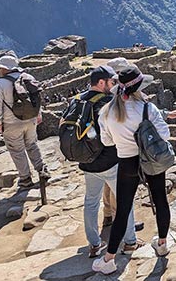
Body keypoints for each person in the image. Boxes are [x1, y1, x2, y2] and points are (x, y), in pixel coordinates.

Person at [92, 66, 172, 274]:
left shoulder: (108, 112)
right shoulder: (147, 109)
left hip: (127, 162)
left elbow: (107, 141)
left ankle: (109, 259)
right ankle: (162, 244)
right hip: (151, 160)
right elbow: (164, 135)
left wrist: (124, 140)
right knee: (160, 200)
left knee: (123, 210)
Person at [64, 66, 140, 258]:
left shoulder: (76, 101)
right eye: (111, 82)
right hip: (110, 161)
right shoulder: (106, 102)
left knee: (90, 202)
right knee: (125, 201)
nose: (113, 85)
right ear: (101, 83)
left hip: (86, 162)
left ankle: (94, 244)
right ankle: (130, 241)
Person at [0, 54, 48, 188]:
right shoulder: (28, 77)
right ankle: (42, 169)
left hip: (11, 123)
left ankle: (25, 178)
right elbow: (36, 98)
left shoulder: (0, 83)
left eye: (0, 68)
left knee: (17, 150)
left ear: (4, 69)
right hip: (30, 119)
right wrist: (38, 114)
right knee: (32, 144)